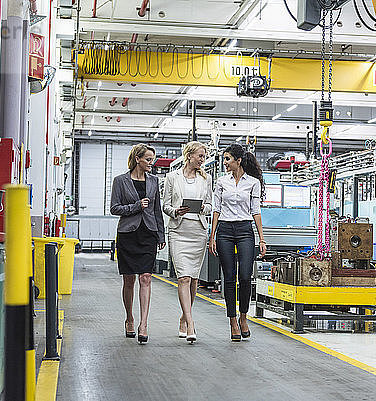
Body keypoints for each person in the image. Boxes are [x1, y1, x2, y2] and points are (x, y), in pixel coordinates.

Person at [209, 144, 267, 342]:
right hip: (224, 230)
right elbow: (216, 209)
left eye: (227, 159)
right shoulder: (221, 182)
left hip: (244, 230)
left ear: (238, 160)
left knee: (245, 276)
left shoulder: (252, 183)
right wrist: (212, 237)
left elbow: (256, 211)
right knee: (229, 278)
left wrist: (262, 239)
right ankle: (232, 321)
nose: (225, 163)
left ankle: (244, 318)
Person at [110, 143, 166, 344]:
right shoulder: (120, 181)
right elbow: (114, 208)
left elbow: (157, 210)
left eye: (153, 159)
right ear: (137, 160)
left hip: (148, 233)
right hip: (127, 234)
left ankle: (143, 323)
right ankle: (129, 318)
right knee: (129, 280)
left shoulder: (154, 181)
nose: (152, 163)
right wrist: (135, 206)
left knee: (146, 278)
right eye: (149, 159)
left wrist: (161, 235)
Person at [163, 142, 213, 344]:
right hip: (179, 231)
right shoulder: (171, 178)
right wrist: (176, 211)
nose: (202, 160)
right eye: (200, 156)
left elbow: (210, 204)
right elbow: (165, 205)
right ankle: (191, 324)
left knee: (193, 280)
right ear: (189, 156)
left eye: (204, 157)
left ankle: (184, 317)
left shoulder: (206, 178)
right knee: (183, 277)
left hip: (198, 232)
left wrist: (202, 209)